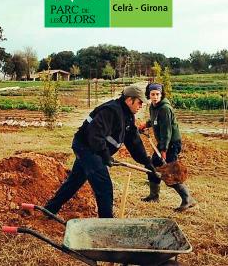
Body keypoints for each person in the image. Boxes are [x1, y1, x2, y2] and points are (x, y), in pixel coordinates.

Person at [44, 85, 155, 218]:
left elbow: (133, 141)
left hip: (93, 149)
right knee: (104, 186)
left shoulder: (128, 116)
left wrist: (147, 162)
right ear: (129, 100)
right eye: (139, 102)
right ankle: (106, 223)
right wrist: (105, 155)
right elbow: (95, 134)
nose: (141, 105)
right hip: (86, 148)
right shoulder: (111, 111)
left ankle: (49, 210)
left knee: (75, 181)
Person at [139, 83, 197, 212]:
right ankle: (154, 196)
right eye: (152, 94)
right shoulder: (153, 107)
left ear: (161, 94)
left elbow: (167, 131)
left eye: (157, 94)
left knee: (170, 171)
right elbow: (155, 121)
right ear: (148, 95)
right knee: (152, 166)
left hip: (171, 144)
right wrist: (146, 124)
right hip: (163, 144)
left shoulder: (165, 108)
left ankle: (188, 199)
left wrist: (163, 150)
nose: (155, 97)